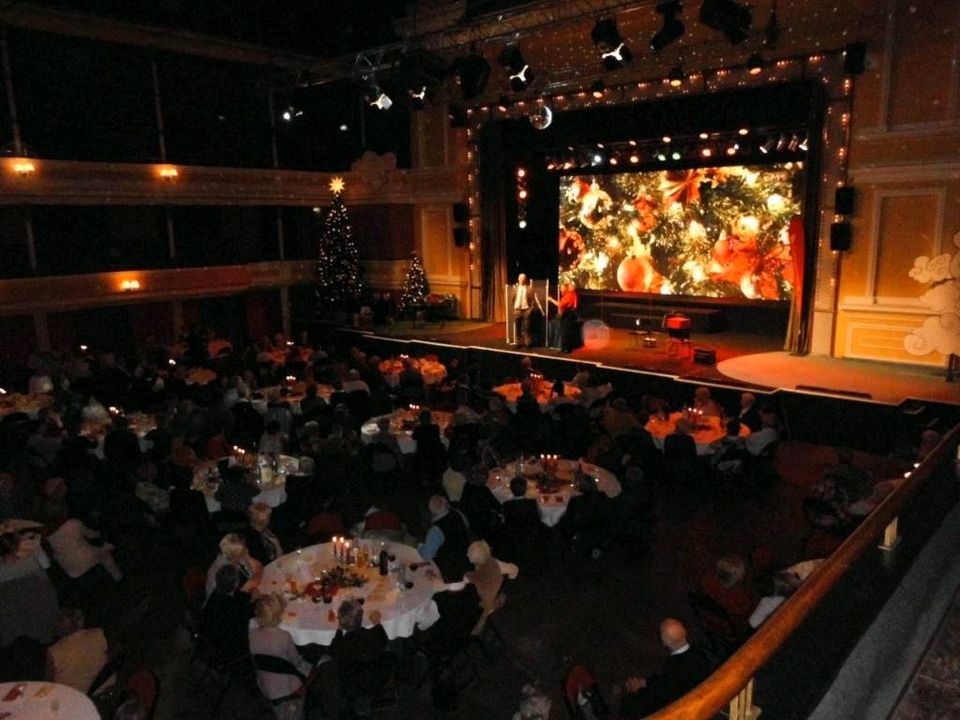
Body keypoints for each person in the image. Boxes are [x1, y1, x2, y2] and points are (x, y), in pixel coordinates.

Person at [620, 619, 712, 719]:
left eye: (661, 634)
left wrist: (640, 689)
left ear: (665, 642)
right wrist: (646, 682)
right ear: (685, 631)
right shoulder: (700, 653)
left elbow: (664, 694)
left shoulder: (673, 666)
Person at [249, 594, 313, 720]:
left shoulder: (251, 633)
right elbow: (295, 661)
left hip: (263, 682)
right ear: (279, 616)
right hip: (286, 687)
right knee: (314, 664)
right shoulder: (284, 636)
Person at [201, 564, 253, 660]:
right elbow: (246, 626)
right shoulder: (231, 608)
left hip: (212, 638)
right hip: (229, 649)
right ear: (236, 584)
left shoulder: (215, 593)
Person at [418, 495, 472, 583]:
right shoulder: (457, 513)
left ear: (431, 512)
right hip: (467, 558)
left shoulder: (435, 530)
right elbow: (467, 526)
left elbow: (427, 555)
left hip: (449, 570)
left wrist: (420, 547)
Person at [205, 532, 262, 600]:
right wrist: (258, 573)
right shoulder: (226, 570)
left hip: (238, 596)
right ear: (236, 555)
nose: (246, 549)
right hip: (223, 604)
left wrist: (247, 557)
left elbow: (258, 567)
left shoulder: (231, 556)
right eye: (243, 550)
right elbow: (250, 585)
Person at [547, 282, 579, 351]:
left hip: (568, 314)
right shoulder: (570, 294)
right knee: (565, 330)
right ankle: (565, 347)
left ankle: (566, 348)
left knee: (565, 331)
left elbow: (560, 305)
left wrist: (551, 300)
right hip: (569, 313)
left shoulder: (569, 295)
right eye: (560, 288)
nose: (561, 289)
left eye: (562, 288)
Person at [512, 274, 542, 348]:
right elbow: (512, 299)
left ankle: (528, 343)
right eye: (520, 278)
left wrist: (529, 311)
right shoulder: (515, 289)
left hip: (526, 311)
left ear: (525, 279)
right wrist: (514, 309)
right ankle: (518, 343)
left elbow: (532, 302)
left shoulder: (529, 289)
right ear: (518, 279)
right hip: (517, 310)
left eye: (523, 278)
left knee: (527, 328)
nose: (522, 279)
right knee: (517, 328)